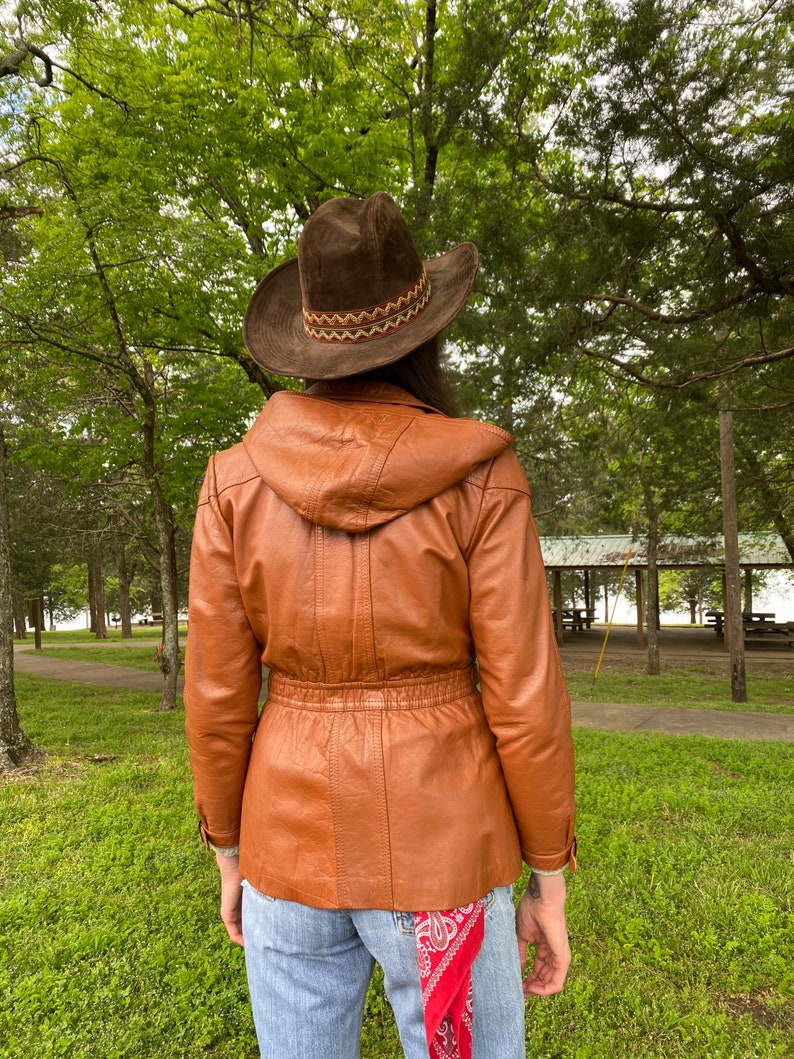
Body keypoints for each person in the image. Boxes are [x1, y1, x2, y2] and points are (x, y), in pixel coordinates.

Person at [184, 192, 576, 1059]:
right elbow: (524, 695)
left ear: (311, 343)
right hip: (444, 854)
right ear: (424, 333)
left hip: (285, 846)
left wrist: (229, 850)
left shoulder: (231, 484)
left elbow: (215, 696)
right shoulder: (483, 475)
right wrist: (547, 873)